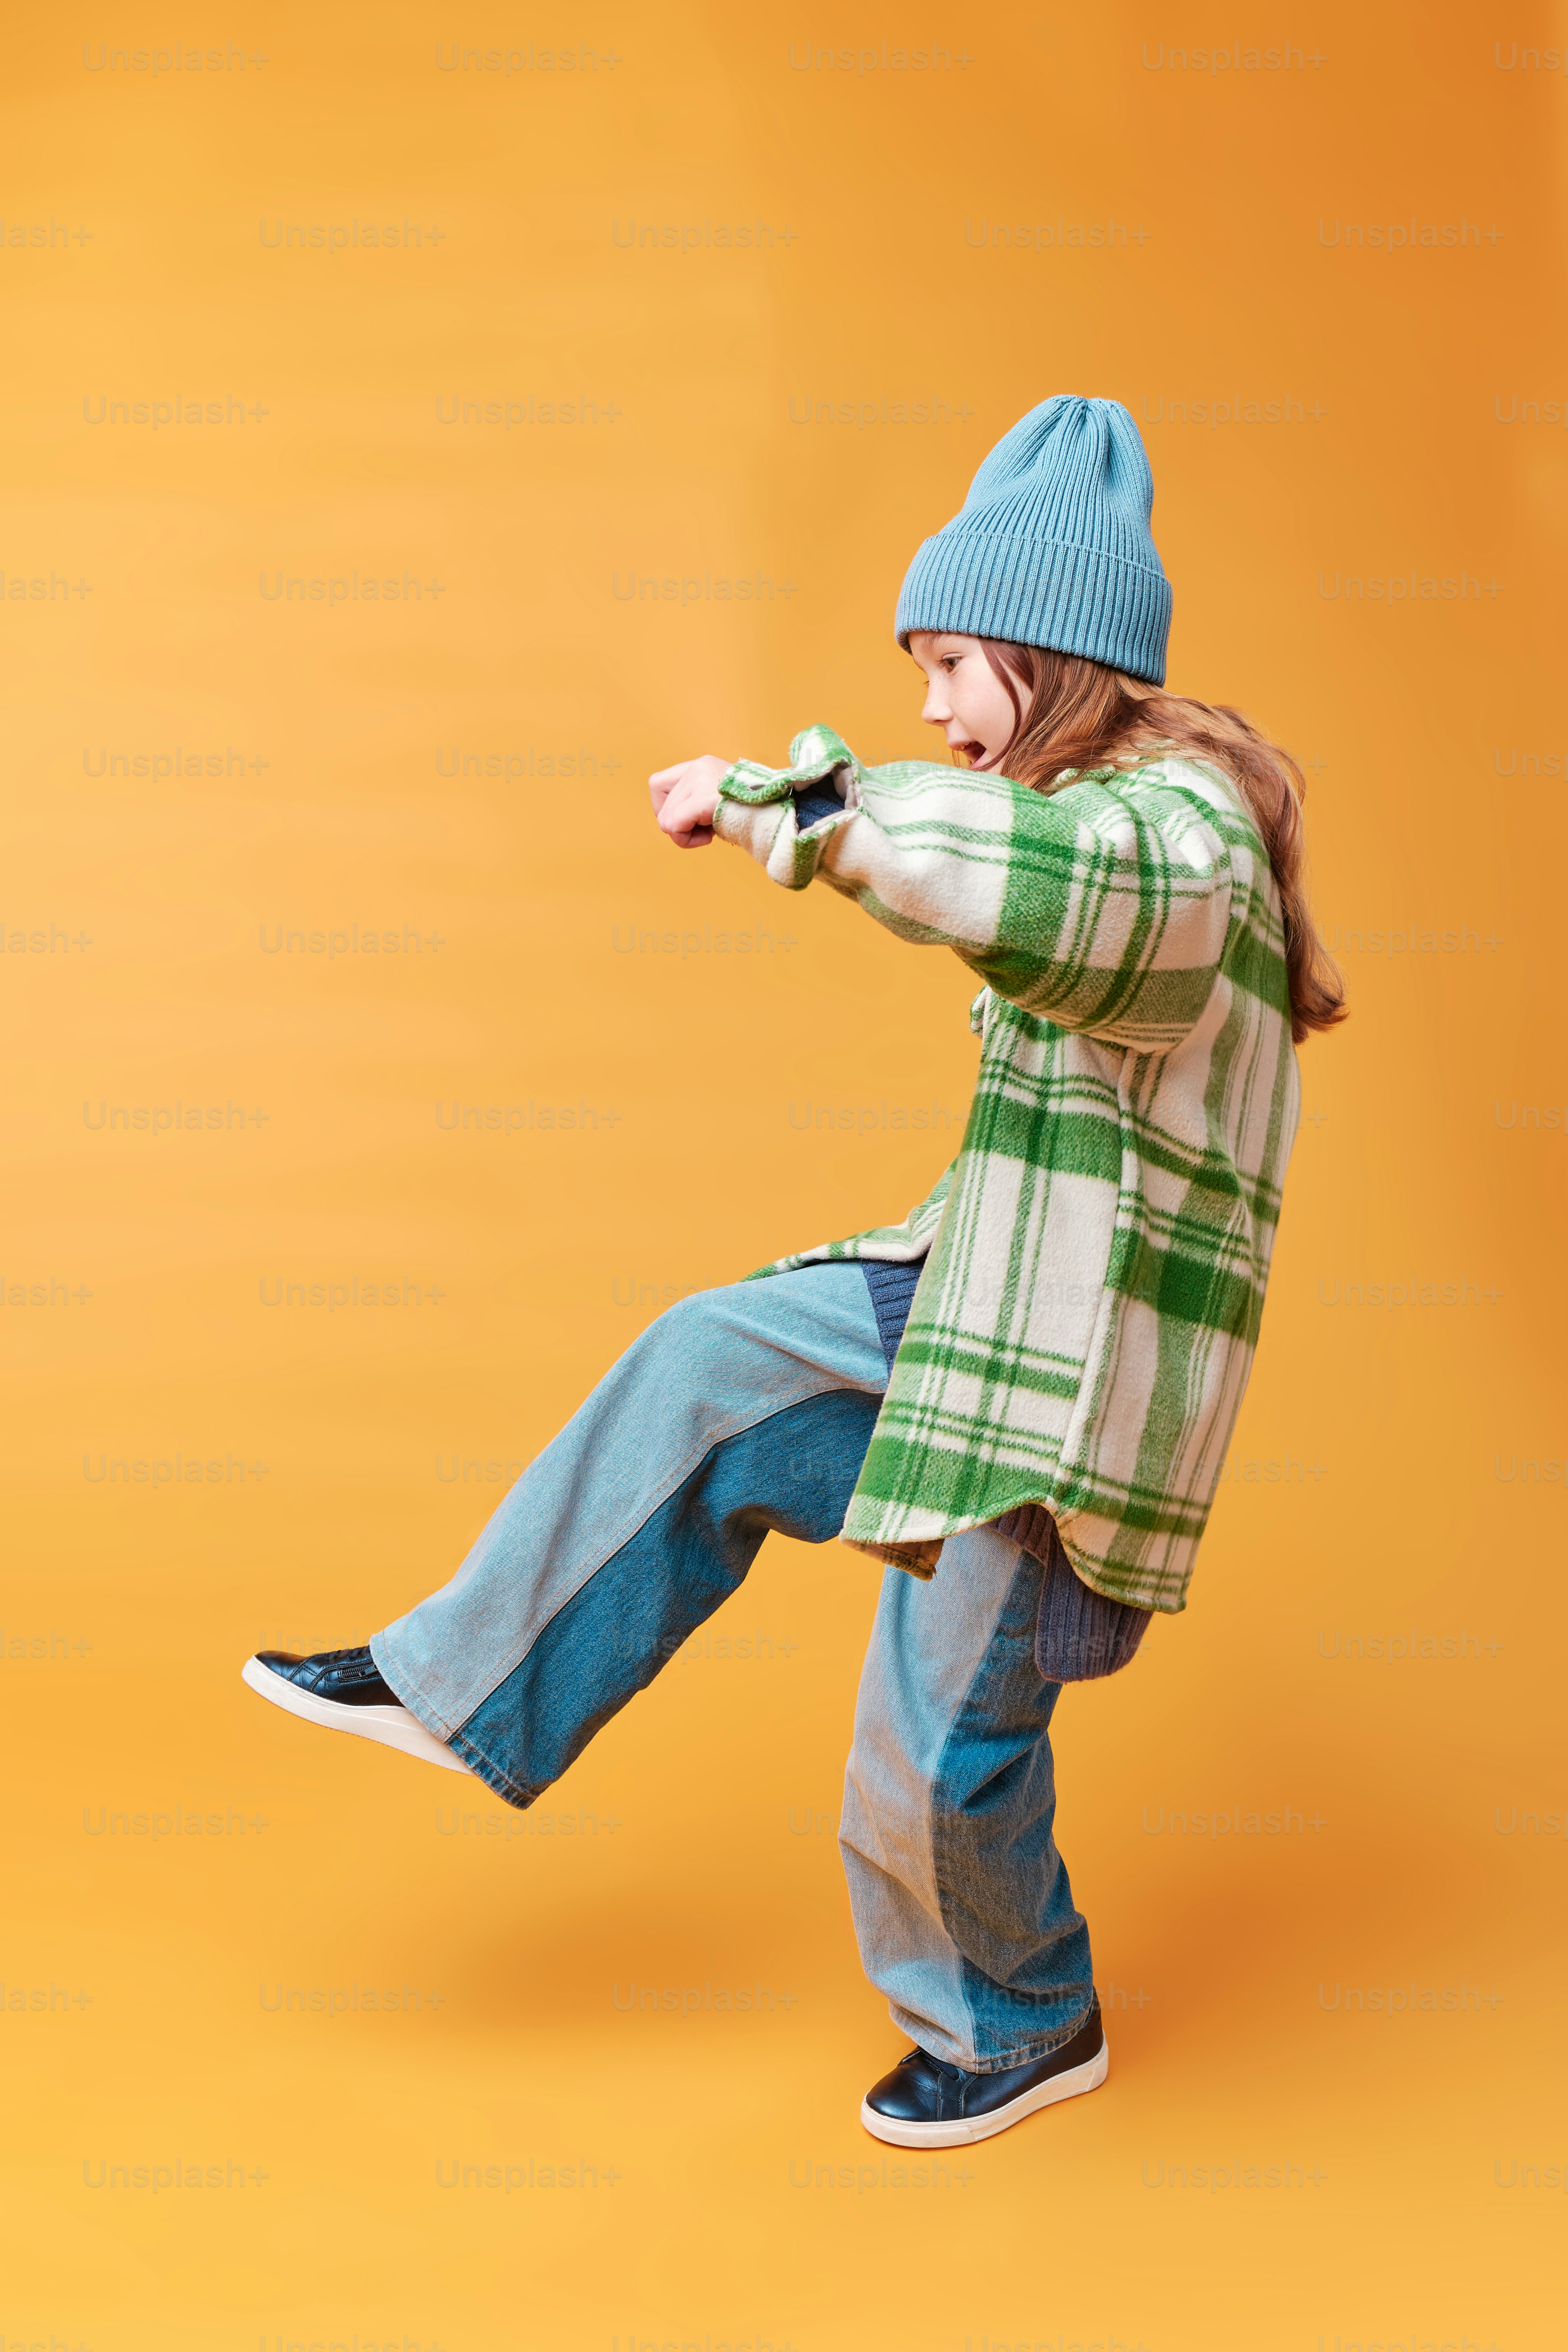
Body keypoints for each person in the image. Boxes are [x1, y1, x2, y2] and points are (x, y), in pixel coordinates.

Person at [242, 395, 1344, 2148]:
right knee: (710, 1360)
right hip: (978, 1302)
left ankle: (1018, 2024)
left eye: (950, 663)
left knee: (916, 1771)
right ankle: (469, 1681)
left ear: (1047, 661)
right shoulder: (1099, 810)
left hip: (1067, 1391)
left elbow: (1041, 883)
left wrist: (810, 813)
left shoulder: (1171, 835)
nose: (928, 703)